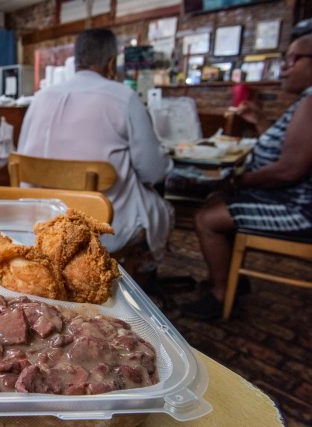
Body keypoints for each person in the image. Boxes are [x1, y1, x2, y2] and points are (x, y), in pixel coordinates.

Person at [17, 28, 173, 269]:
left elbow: (22, 156)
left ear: (76, 60)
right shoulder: (124, 98)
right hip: (103, 226)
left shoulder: (40, 98)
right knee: (161, 208)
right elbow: (154, 172)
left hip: (40, 224)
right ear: (111, 63)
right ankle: (133, 280)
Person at [181, 34, 312, 320]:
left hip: (299, 208)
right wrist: (261, 122)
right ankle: (230, 278)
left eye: (295, 59)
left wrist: (238, 181)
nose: (285, 67)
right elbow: (285, 152)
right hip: (289, 197)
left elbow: (290, 169)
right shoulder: (304, 101)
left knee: (206, 217)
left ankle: (220, 295)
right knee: (216, 200)